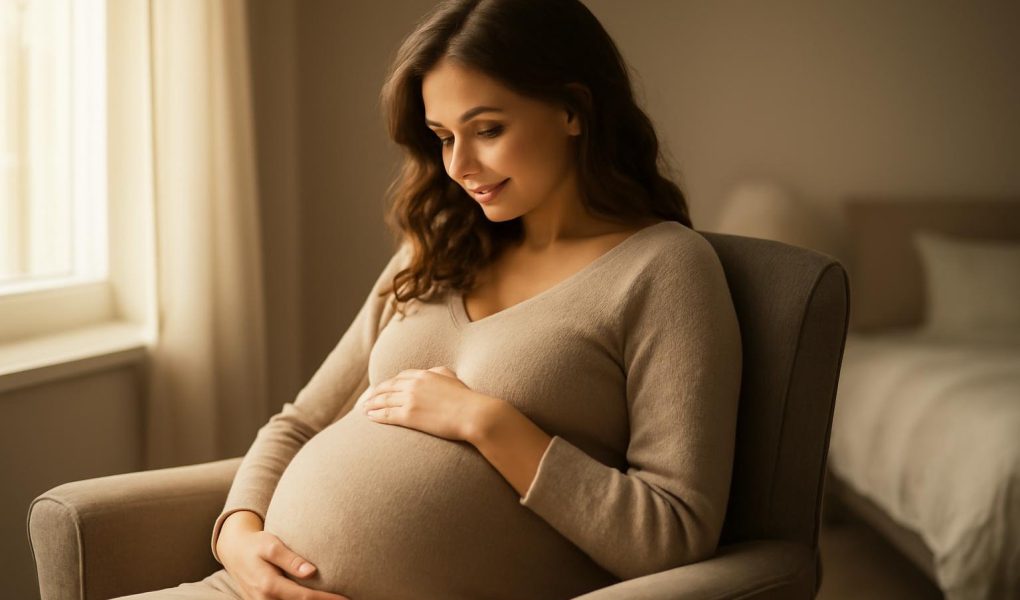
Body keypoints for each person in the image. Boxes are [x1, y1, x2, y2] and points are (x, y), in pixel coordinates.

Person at [115, 0, 741, 598]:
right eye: (442, 137)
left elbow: (676, 532)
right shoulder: (440, 249)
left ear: (573, 109)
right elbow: (302, 420)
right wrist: (239, 537)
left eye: (487, 129)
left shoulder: (663, 269)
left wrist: (486, 422)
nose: (461, 165)